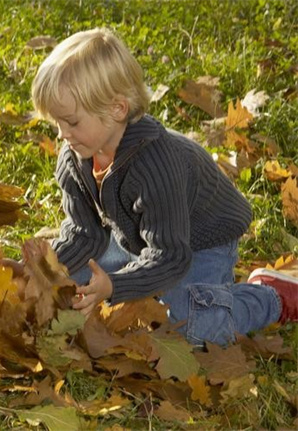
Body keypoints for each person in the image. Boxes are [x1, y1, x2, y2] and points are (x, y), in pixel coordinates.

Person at [26, 27, 296, 347]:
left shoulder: (155, 166)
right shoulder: (76, 154)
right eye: (56, 123)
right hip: (139, 235)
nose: (61, 134)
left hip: (198, 242)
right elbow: (86, 234)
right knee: (70, 287)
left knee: (186, 326)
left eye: (71, 122)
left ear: (117, 109)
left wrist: (113, 286)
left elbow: (170, 255)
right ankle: (134, 279)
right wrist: (41, 271)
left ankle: (268, 295)